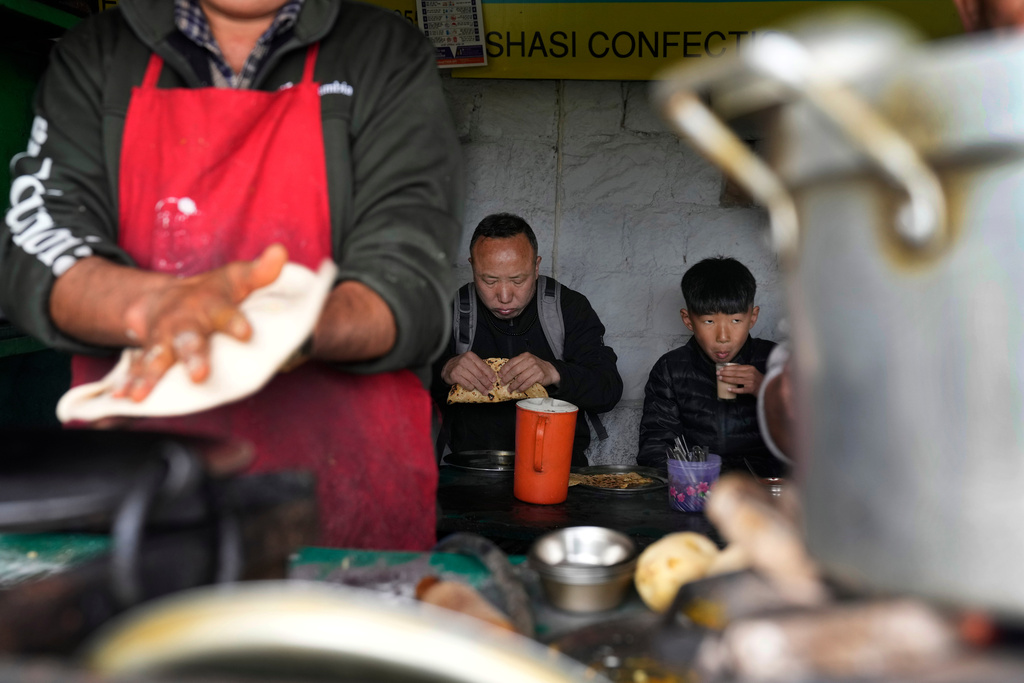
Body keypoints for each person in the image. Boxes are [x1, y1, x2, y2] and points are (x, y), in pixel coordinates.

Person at [0, 0, 463, 550]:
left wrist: (276, 322)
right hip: (137, 509)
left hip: (348, 514)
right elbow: (34, 245)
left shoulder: (383, 53)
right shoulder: (101, 53)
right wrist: (154, 305)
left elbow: (410, 277)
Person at [431, 213, 622, 467]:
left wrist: (554, 373)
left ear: (536, 266)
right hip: (472, 469)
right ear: (472, 266)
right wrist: (445, 370)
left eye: (517, 280)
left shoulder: (568, 308)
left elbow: (608, 389)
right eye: (489, 280)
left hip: (558, 467)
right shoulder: (454, 311)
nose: (505, 296)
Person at [637, 256, 780, 476]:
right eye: (709, 321)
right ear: (688, 320)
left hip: (766, 496)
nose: (723, 337)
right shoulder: (671, 369)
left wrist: (767, 389)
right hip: (697, 493)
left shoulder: (776, 361)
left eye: (736, 321)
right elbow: (655, 450)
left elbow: (814, 443)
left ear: (752, 318)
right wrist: (693, 487)